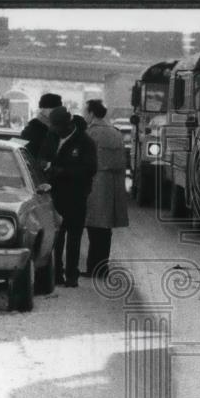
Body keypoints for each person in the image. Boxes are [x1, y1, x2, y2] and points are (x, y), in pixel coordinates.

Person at [46, 109, 97, 287]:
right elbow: (43, 156)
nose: (54, 130)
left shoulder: (85, 142)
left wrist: (63, 172)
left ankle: (71, 275)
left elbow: (90, 169)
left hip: (76, 197)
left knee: (74, 238)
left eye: (56, 126)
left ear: (67, 125)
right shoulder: (52, 137)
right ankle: (57, 274)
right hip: (55, 196)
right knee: (57, 238)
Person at [82, 99, 129, 280]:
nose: (84, 115)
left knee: (94, 229)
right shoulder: (115, 133)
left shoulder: (89, 134)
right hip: (111, 187)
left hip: (94, 185)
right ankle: (103, 268)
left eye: (85, 111)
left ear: (92, 113)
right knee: (104, 230)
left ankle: (93, 268)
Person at [21, 93, 63, 160]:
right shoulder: (32, 129)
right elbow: (26, 156)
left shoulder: (57, 128)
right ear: (45, 109)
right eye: (56, 109)